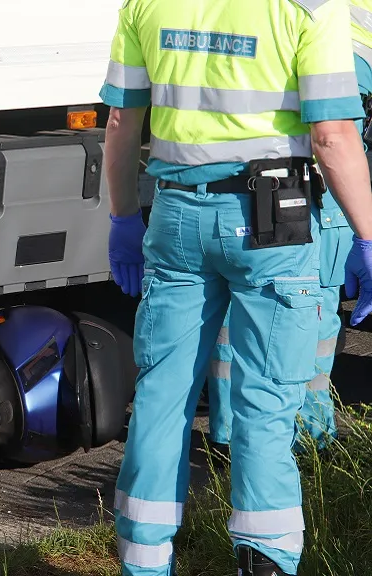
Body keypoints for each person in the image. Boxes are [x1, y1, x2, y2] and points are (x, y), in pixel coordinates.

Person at [101, 1, 372, 575]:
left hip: (175, 215)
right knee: (266, 405)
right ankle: (265, 562)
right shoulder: (309, 7)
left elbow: (124, 123)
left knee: (160, 398)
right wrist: (369, 237)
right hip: (273, 220)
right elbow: (332, 133)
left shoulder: (145, 3)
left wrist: (123, 217)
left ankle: (144, 563)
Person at [206, 0, 372, 452]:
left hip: (245, 186)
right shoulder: (335, 32)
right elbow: (336, 142)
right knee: (308, 313)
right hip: (315, 189)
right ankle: (306, 442)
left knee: (240, 314)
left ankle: (230, 438)